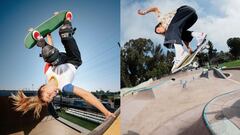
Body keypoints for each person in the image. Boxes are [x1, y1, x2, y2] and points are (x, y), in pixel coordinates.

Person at [10, 12, 115, 119]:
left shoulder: (47, 72)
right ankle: (67, 21)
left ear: (43, 88)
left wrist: (48, 38)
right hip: (74, 60)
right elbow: (86, 95)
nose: (54, 95)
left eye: (49, 95)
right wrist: (106, 112)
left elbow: (50, 52)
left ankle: (40, 39)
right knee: (64, 32)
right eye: (52, 98)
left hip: (61, 59)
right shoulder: (65, 87)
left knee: (48, 55)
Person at [138, 5, 207, 72]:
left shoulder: (161, 20)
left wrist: (145, 12)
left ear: (159, 25)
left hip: (184, 10)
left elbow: (155, 9)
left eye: (158, 29)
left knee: (171, 31)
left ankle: (180, 55)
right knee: (181, 34)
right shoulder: (173, 31)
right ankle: (200, 36)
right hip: (192, 17)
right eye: (158, 33)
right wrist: (190, 52)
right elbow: (185, 41)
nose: (158, 31)